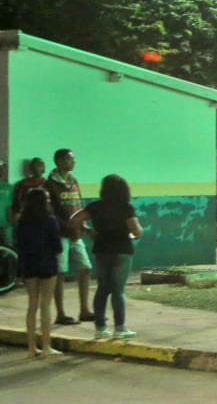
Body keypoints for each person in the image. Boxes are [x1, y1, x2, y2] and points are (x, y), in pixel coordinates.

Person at [71, 174, 143, 339]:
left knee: (102, 289)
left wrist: (88, 230)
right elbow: (136, 230)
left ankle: (100, 328)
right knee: (118, 290)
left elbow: (74, 220)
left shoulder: (95, 206)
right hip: (121, 250)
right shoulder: (126, 208)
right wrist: (138, 233)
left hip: (102, 249)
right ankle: (119, 328)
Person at [47, 149, 94, 325]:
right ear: (59, 161)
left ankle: (84, 310)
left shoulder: (73, 181)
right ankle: (61, 313)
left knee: (86, 268)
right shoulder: (50, 184)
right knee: (60, 272)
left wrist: (84, 225)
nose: (74, 163)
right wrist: (66, 224)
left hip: (76, 232)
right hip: (60, 233)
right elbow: (51, 210)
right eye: (70, 159)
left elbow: (78, 205)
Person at [15, 187, 63, 358]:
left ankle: (31, 348)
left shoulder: (22, 221)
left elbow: (19, 244)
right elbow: (57, 246)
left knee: (32, 305)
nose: (49, 201)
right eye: (47, 199)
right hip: (47, 264)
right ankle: (46, 347)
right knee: (45, 305)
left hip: (28, 265)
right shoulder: (50, 221)